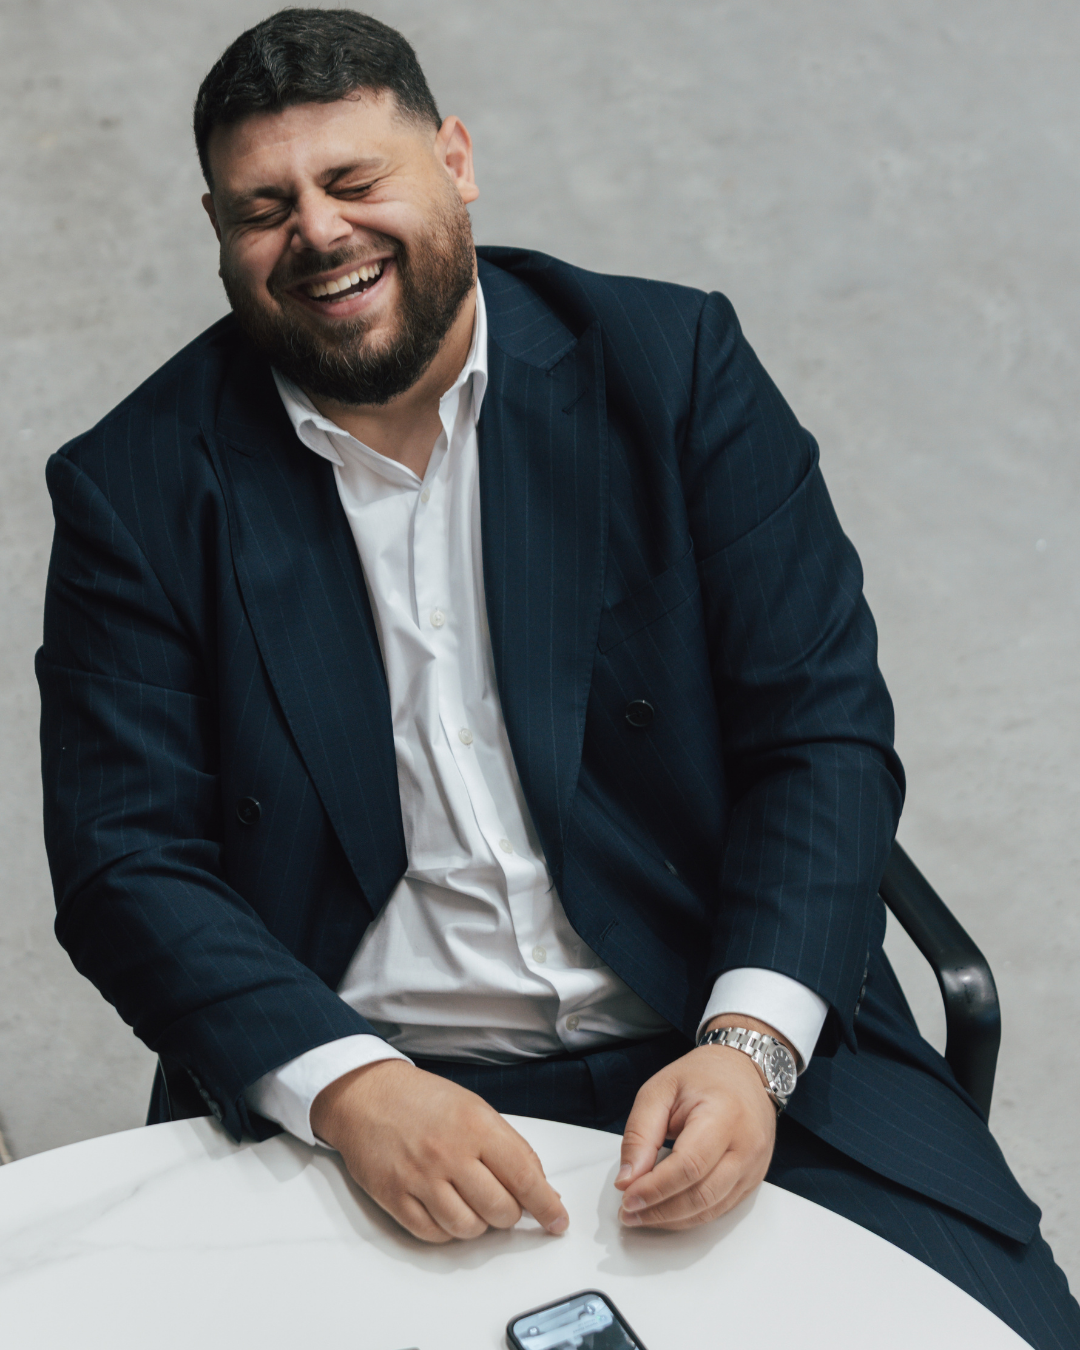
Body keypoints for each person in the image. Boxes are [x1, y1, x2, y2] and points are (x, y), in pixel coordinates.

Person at [37, 9, 1078, 1346]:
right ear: (219, 229)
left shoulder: (673, 368)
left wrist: (750, 1046)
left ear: (455, 160)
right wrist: (351, 1087)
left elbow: (816, 732)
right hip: (373, 1098)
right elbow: (127, 860)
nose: (320, 232)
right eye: (265, 205)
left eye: (357, 181)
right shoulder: (135, 489)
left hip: (724, 1038)